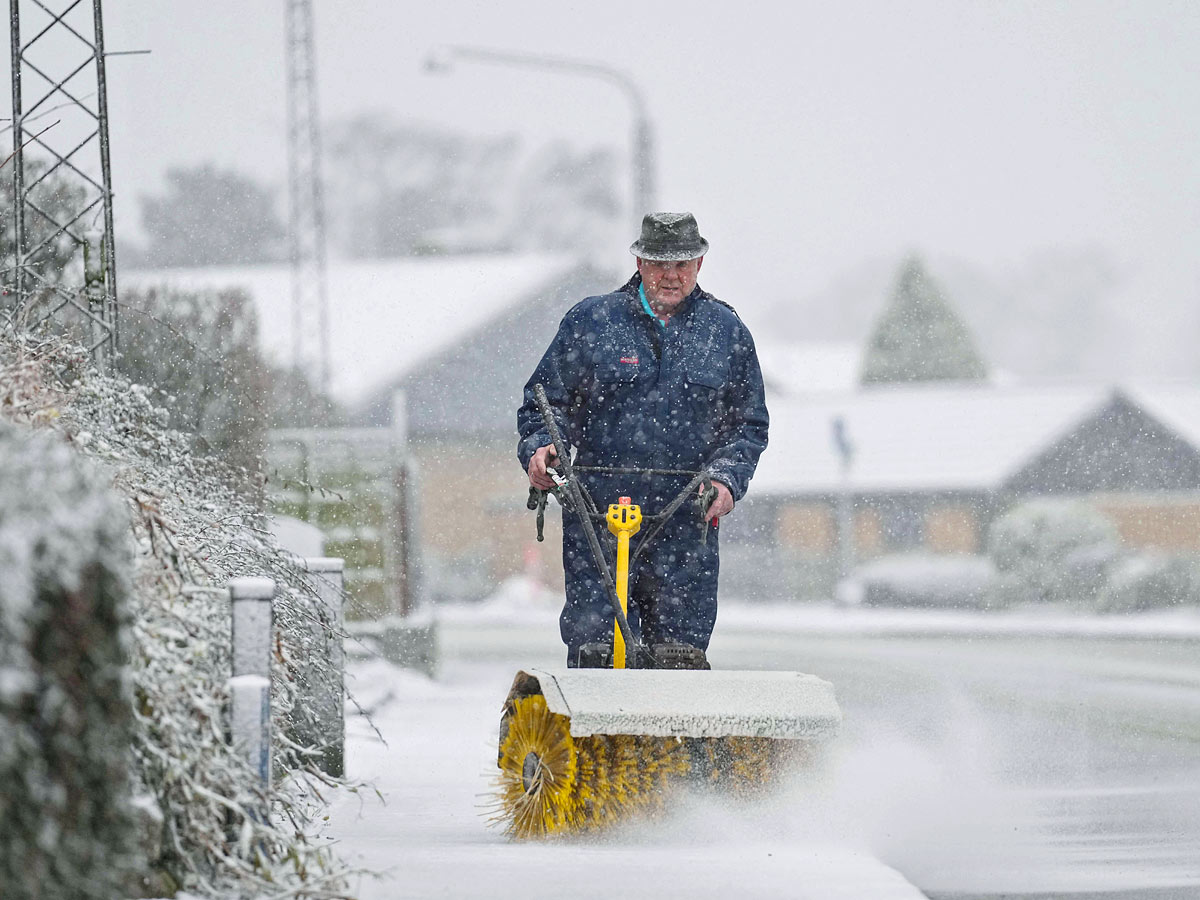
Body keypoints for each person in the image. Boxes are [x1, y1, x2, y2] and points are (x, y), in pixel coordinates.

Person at [517, 212, 768, 668]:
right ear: (638, 261)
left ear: (700, 263)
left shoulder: (727, 333)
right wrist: (540, 449)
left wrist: (727, 480)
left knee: (680, 658)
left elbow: (748, 426)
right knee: (597, 650)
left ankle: (677, 738)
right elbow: (543, 406)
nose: (670, 275)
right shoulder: (591, 323)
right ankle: (599, 735)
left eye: (682, 264)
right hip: (598, 516)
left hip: (686, 521)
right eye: (658, 263)